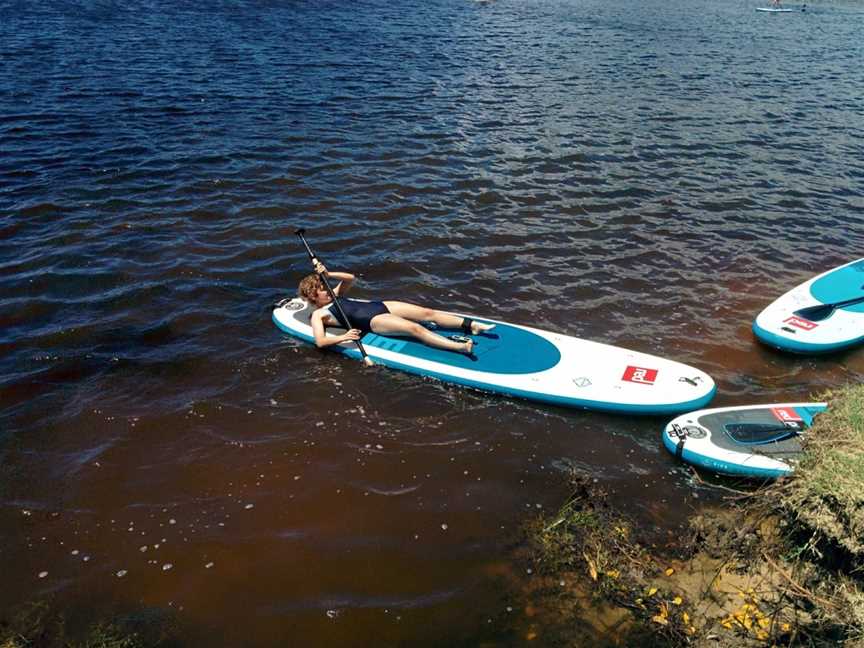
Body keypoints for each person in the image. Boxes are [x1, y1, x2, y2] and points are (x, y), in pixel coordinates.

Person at [298, 260, 494, 356]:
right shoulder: (319, 314)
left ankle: (472, 326)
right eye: (321, 289)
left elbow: (350, 278)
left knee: (428, 313)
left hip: (380, 306)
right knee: (415, 328)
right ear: (314, 297)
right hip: (373, 321)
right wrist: (344, 337)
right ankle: (459, 347)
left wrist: (329, 273)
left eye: (324, 286)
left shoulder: (336, 294)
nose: (326, 289)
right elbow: (320, 342)